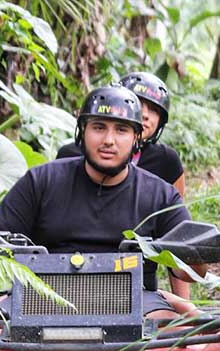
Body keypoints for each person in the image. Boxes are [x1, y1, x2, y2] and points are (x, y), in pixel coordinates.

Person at [0, 85, 205, 319]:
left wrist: (196, 254)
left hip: (136, 299)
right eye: (99, 127)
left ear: (136, 138)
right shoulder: (41, 181)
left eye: (121, 130)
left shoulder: (161, 195)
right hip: (41, 295)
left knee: (182, 333)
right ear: (82, 130)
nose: (109, 140)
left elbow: (192, 269)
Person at [57, 72, 191, 300]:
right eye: (140, 104)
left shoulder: (166, 162)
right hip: (71, 274)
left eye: (154, 110)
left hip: (136, 280)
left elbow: (175, 236)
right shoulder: (69, 157)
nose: (146, 115)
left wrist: (185, 305)